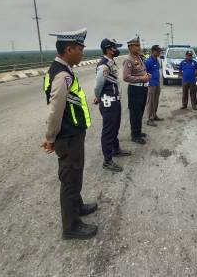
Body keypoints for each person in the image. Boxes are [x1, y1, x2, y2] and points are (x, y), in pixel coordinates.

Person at [41, 28, 98, 240]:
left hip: (72, 133)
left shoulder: (62, 70)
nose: (82, 52)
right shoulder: (62, 75)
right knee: (70, 180)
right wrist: (50, 138)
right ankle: (71, 226)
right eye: (79, 48)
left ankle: (78, 206)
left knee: (75, 175)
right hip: (68, 136)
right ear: (68, 49)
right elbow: (55, 109)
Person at [94, 38, 132, 173]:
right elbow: (98, 86)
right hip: (108, 102)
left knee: (115, 127)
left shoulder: (111, 62)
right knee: (108, 130)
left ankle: (116, 150)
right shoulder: (104, 65)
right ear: (108, 49)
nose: (117, 50)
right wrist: (98, 98)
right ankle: (107, 160)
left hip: (114, 100)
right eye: (115, 47)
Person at [123, 36, 151, 144]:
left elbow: (141, 71)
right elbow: (126, 77)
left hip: (143, 88)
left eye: (139, 45)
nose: (139, 47)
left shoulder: (139, 58)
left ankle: (138, 131)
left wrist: (146, 75)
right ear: (130, 47)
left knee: (140, 111)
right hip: (135, 89)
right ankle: (135, 135)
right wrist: (141, 78)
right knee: (135, 113)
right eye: (137, 45)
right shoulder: (128, 60)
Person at [145, 45, 164, 126]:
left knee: (156, 101)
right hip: (151, 84)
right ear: (153, 51)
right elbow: (144, 73)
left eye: (160, 51)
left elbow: (157, 70)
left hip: (157, 83)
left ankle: (154, 115)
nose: (160, 53)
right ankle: (149, 119)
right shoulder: (148, 61)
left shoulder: (157, 60)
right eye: (158, 51)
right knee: (150, 102)